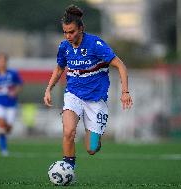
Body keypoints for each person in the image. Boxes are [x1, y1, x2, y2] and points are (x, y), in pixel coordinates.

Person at [43, 5, 133, 169]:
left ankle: (94, 137)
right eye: (65, 32)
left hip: (96, 100)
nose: (68, 36)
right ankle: (68, 170)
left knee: (91, 149)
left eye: (72, 32)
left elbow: (120, 65)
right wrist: (49, 89)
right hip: (73, 95)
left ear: (81, 29)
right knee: (68, 132)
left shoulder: (96, 45)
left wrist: (125, 92)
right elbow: (59, 68)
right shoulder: (64, 47)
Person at [0, 53, 23, 156]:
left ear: (6, 62)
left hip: (11, 104)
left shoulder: (13, 74)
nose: (2, 63)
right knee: (1, 124)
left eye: (4, 61)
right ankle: (4, 150)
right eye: (0, 61)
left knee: (8, 129)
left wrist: (15, 91)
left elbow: (20, 85)